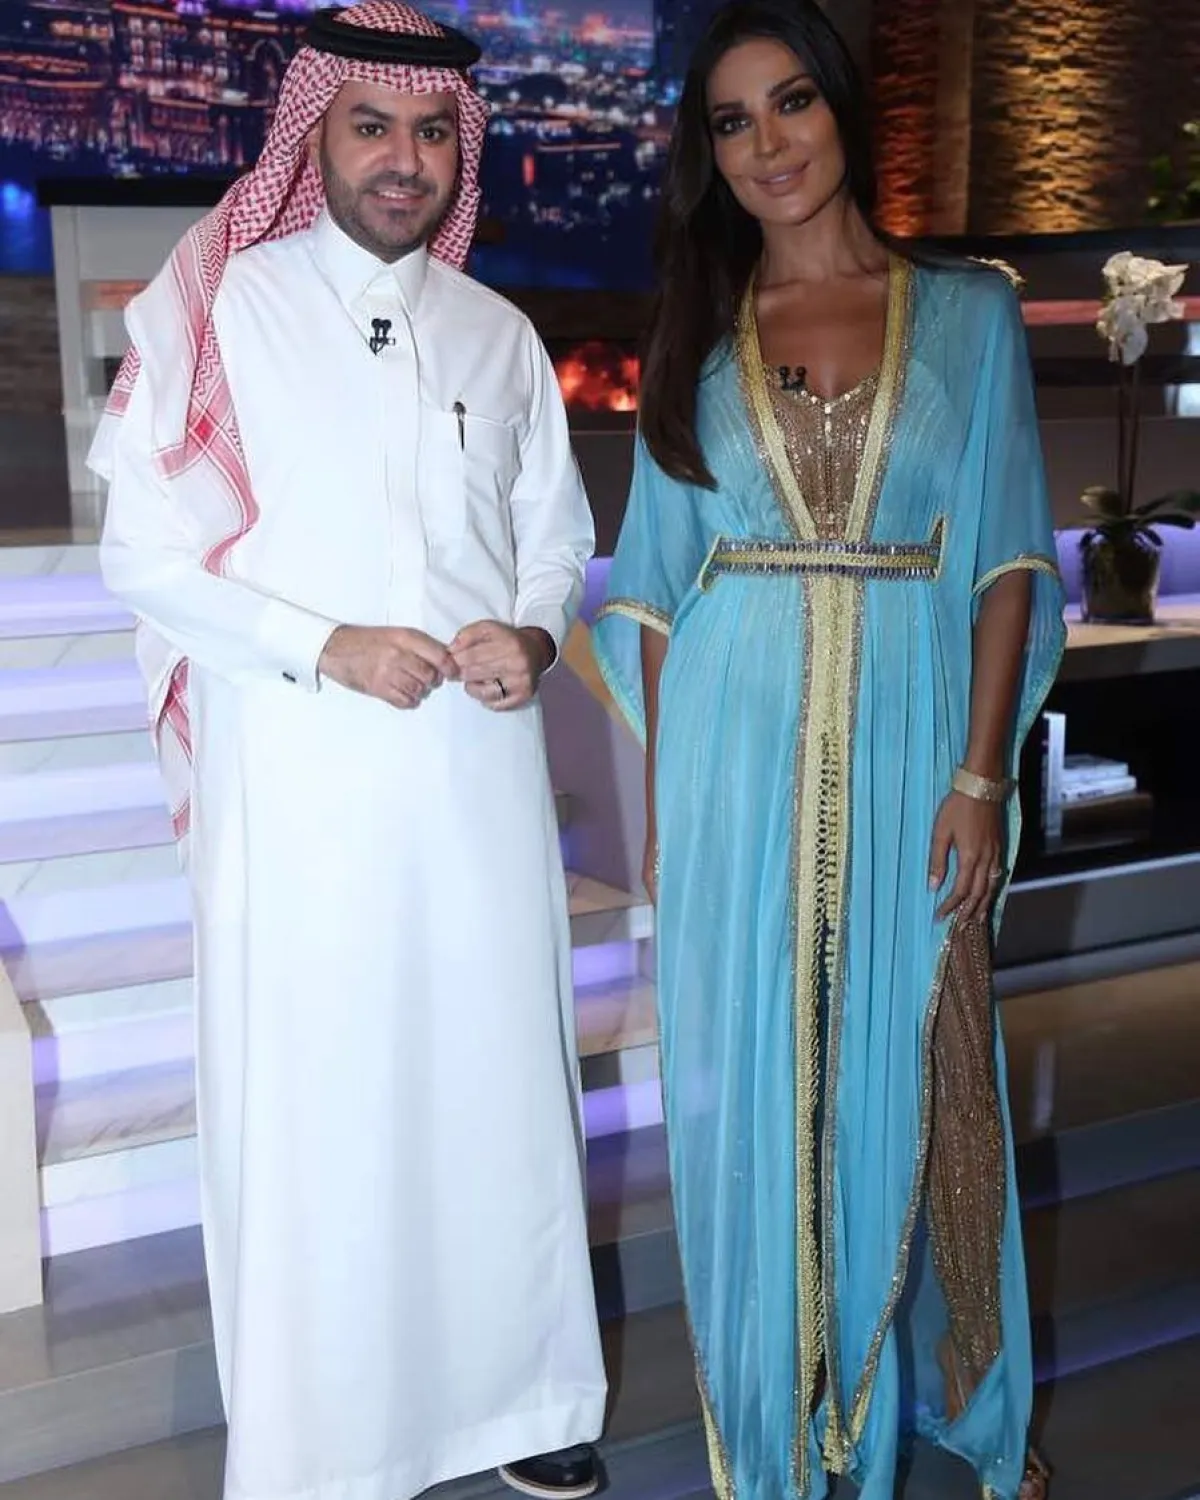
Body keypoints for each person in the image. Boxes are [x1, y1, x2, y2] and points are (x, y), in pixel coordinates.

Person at [90, 6, 606, 1499]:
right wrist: (326, 644)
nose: (405, 159)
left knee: (495, 1078)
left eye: (432, 131)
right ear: (311, 135)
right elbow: (143, 556)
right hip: (297, 772)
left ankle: (521, 1401)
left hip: (474, 775)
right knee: (321, 1093)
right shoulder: (217, 308)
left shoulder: (498, 334)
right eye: (371, 126)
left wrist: (536, 634)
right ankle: (323, 1441)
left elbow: (555, 534)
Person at [593, 4, 1066, 1499]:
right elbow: (656, 593)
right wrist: (668, 805)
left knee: (917, 1068)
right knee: (751, 1096)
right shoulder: (697, 333)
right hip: (733, 759)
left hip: (919, 744)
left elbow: (1006, 561)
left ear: (844, 111)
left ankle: (925, 1403)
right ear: (710, 155)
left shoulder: (968, 316)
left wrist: (982, 775)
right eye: (732, 122)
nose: (769, 144)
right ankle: (779, 1434)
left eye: (791, 102)